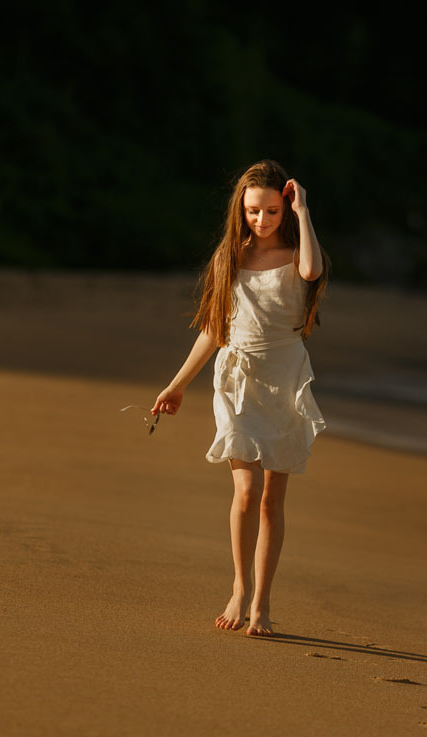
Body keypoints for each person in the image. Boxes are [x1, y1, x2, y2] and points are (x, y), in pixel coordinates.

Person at [152, 159, 330, 637]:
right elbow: (213, 329)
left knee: (272, 500)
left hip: (284, 378)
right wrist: (177, 384)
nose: (262, 220)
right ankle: (238, 587)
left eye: (272, 211)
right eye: (254, 211)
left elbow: (313, 270)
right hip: (238, 380)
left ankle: (262, 603)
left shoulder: (297, 253)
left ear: (284, 208)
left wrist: (305, 210)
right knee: (246, 491)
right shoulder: (228, 257)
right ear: (241, 209)